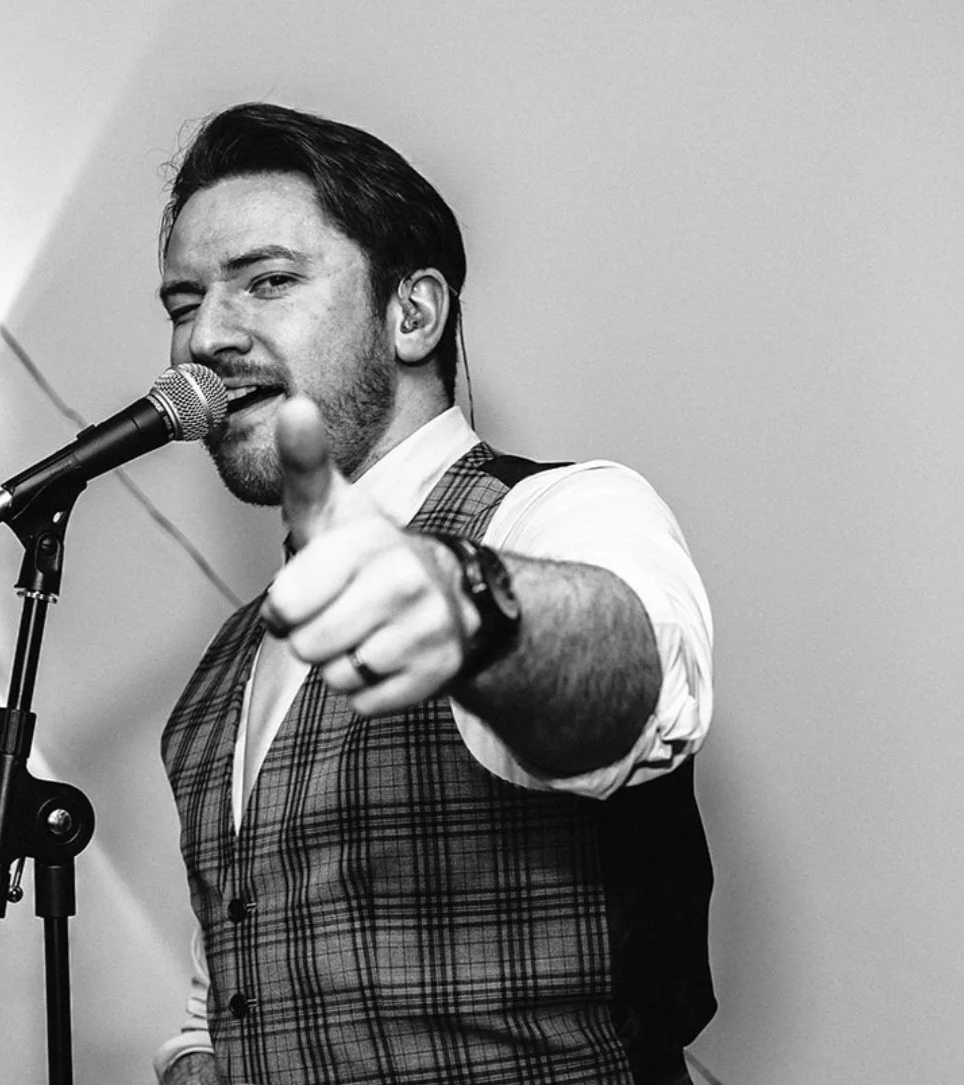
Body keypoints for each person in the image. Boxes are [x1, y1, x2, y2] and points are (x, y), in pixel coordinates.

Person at [151, 102, 716, 1085]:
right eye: (182, 301)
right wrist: (196, 1061)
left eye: (268, 280)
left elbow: (635, 686)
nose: (205, 334)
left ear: (413, 314)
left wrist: (469, 605)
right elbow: (233, 991)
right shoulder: (227, 659)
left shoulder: (558, 514)